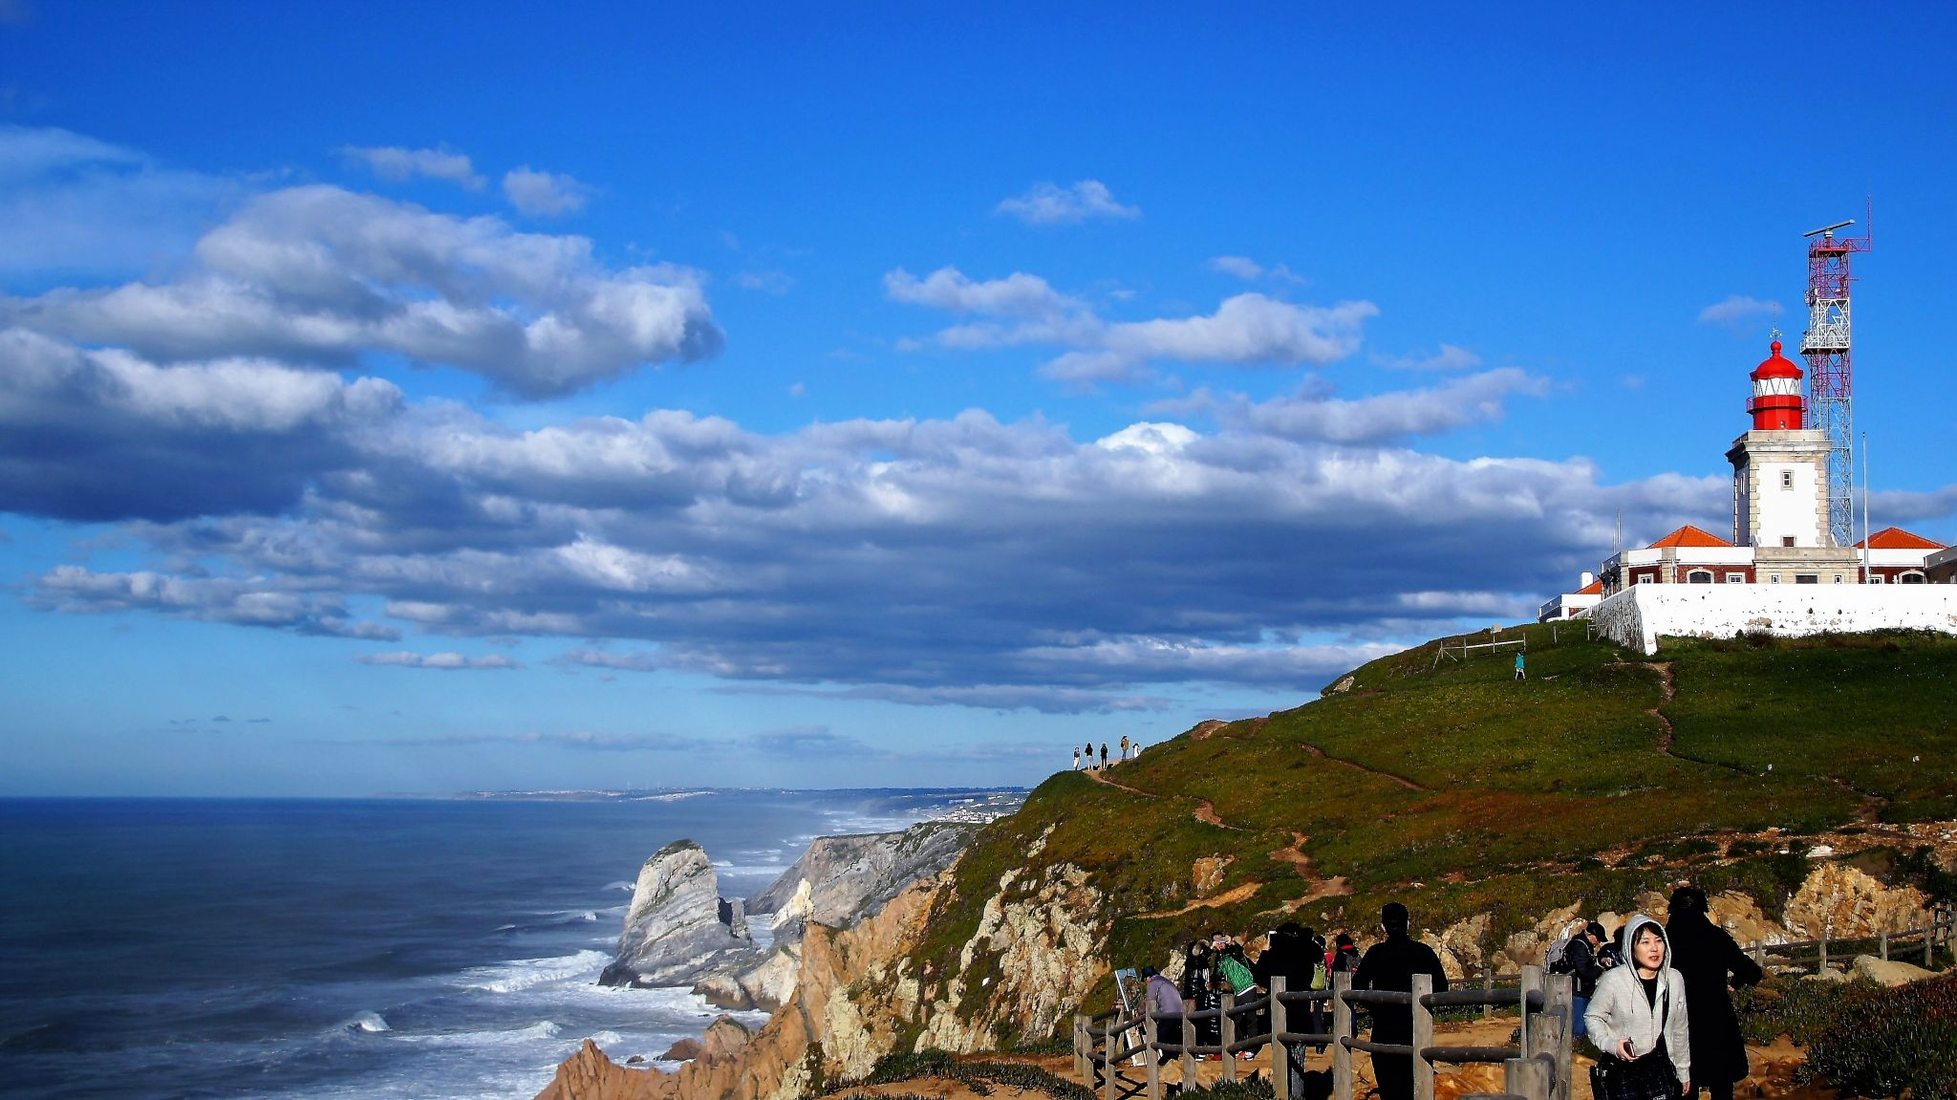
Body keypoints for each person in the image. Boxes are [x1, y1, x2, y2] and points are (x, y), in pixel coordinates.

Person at [1666, 887, 1763, 1100]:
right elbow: (1752, 971)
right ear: (1703, 909)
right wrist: (1735, 983)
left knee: (1683, 1085)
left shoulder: (1664, 940)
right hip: (1716, 1019)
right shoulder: (1715, 936)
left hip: (1678, 1021)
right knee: (1721, 1085)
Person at [1585, 915, 1691, 1100]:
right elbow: (1592, 1017)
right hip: (1620, 1072)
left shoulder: (1674, 979)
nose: (1654, 948)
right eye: (1645, 942)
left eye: (1659, 940)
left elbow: (1679, 1029)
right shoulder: (1614, 980)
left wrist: (1683, 1070)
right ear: (1631, 948)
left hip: (1658, 1069)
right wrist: (1611, 1044)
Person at [1353, 903, 1449, 1100]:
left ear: (1383, 926)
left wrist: (1376, 1008)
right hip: (1415, 1029)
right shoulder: (1423, 952)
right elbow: (1442, 988)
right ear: (1408, 923)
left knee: (1389, 1089)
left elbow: (1356, 987)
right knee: (1414, 1086)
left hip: (1383, 1030)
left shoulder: (1375, 953)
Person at [1253, 922, 1321, 1091]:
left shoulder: (1272, 954)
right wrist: (1305, 938)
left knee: (1281, 1056)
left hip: (1277, 1014)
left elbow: (1259, 977)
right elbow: (1318, 954)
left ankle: (1282, 1092)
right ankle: (1297, 1093)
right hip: (1300, 1009)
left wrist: (1266, 951)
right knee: (1298, 1057)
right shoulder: (1305, 951)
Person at [1181, 939, 1220, 1052]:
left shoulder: (1190, 962)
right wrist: (1210, 948)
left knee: (1194, 1022)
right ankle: (1198, 1047)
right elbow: (1201, 957)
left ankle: (1193, 1047)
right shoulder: (1197, 961)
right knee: (1201, 1022)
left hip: (1190, 995)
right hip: (1198, 995)